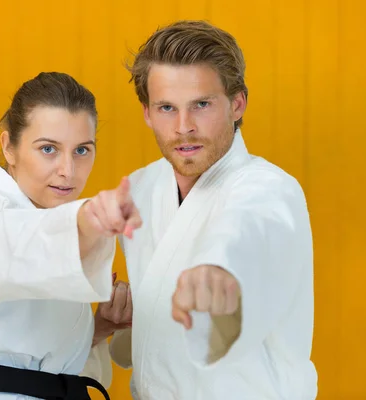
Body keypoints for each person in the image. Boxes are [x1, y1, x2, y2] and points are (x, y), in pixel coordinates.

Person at [86, 20, 318, 399]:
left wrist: (218, 271)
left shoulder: (270, 189)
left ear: (237, 103)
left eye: (201, 105)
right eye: (166, 108)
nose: (183, 127)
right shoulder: (142, 189)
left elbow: (245, 231)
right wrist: (122, 320)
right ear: (146, 112)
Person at [0, 72, 139, 400]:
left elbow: (28, 347)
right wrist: (89, 221)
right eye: (48, 149)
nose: (68, 170)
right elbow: (28, 248)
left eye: (81, 150)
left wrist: (99, 327)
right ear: (9, 148)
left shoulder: (43, 219)